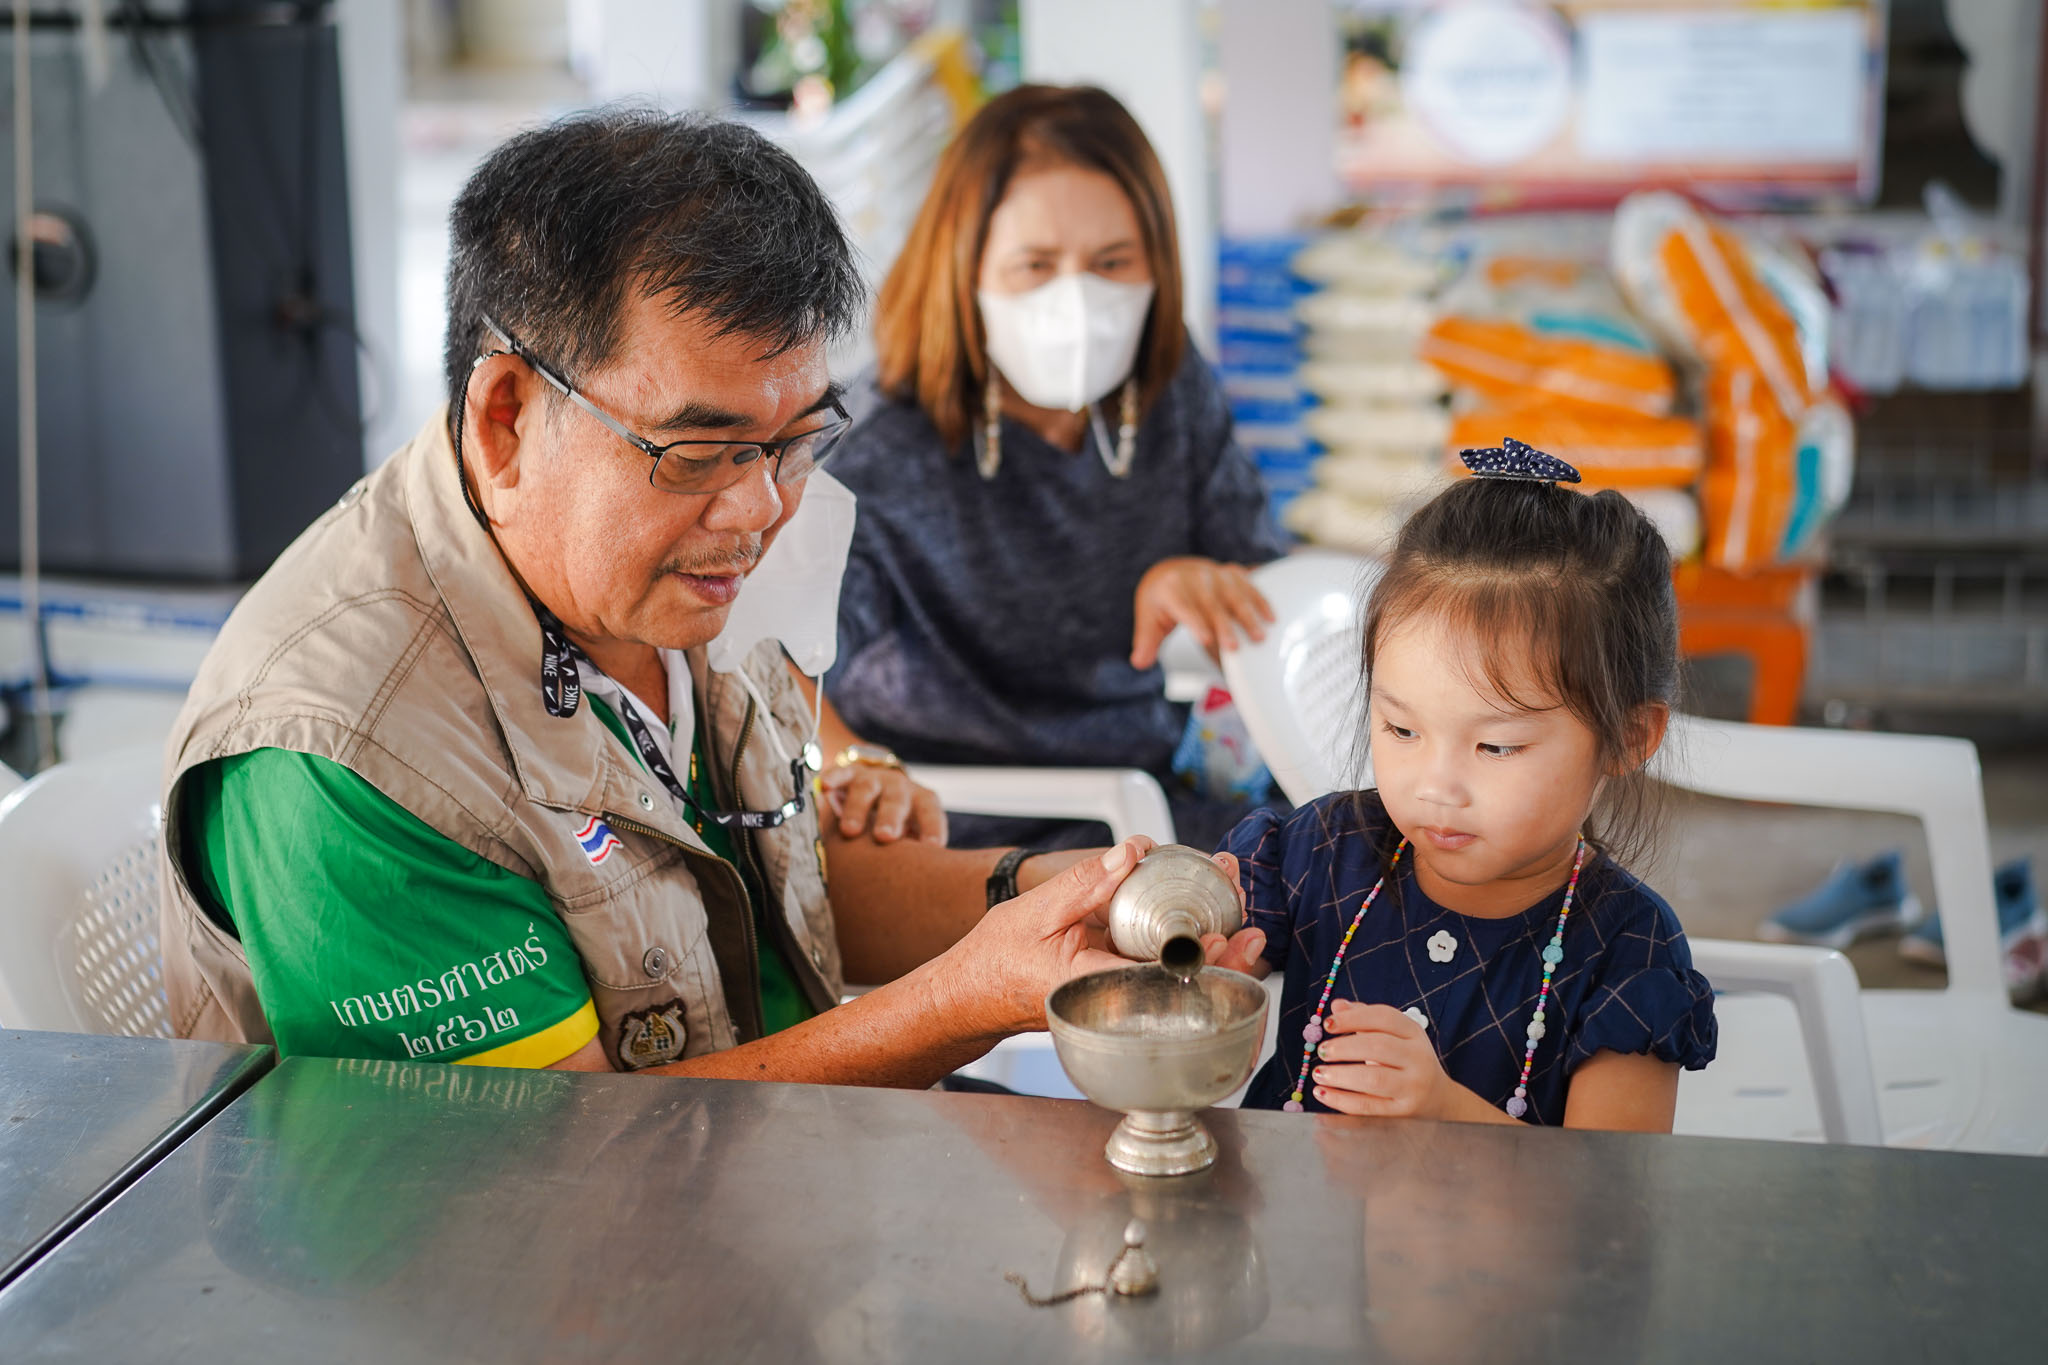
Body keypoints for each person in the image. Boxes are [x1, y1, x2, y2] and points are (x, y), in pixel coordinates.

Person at [155, 108, 1263, 1079]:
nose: (759, 509)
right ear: (505, 418)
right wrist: (961, 1002)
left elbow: (782, 878)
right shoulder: (348, 754)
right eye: (695, 452)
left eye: (796, 441)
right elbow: (558, 1180)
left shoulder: (674, 558)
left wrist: (1048, 896)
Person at [824, 85, 1289, 854]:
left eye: (1112, 263)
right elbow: (777, 669)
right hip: (968, 832)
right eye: (1035, 265)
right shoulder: (874, 447)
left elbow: (1272, 602)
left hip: (1153, 792)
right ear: (964, 266)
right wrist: (857, 766)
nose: (1076, 300)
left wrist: (1203, 590)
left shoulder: (1170, 388)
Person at [1225, 440, 1717, 1129]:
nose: (1436, 786)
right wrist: (1173, 922)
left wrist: (1443, 1113)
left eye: (1496, 746)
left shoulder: (1628, 951)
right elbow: (1207, 941)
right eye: (1402, 729)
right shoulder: (1326, 852)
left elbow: (1609, 1186)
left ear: (1629, 736)